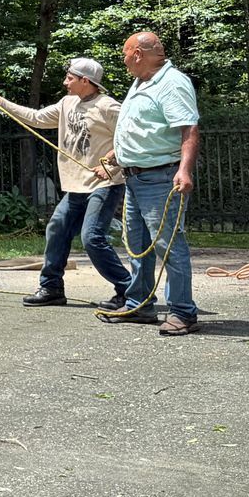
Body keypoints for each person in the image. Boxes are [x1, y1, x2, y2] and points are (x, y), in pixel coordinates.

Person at [0, 58, 130, 308]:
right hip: (75, 187)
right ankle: (51, 289)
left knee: (91, 237)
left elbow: (132, 135)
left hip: (104, 185)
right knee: (57, 229)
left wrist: (113, 164)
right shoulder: (66, 103)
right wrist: (0, 102)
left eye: (70, 78)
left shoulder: (108, 107)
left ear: (85, 80)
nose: (65, 82)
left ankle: (129, 290)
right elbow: (36, 117)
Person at [96, 31, 202, 336]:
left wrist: (184, 171)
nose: (123, 60)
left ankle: (183, 312)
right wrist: (120, 155)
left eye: (125, 54)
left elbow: (189, 129)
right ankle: (139, 305)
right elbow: (143, 126)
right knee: (138, 245)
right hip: (135, 177)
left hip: (160, 178)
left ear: (138, 54)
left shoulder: (172, 83)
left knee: (168, 246)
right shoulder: (142, 80)